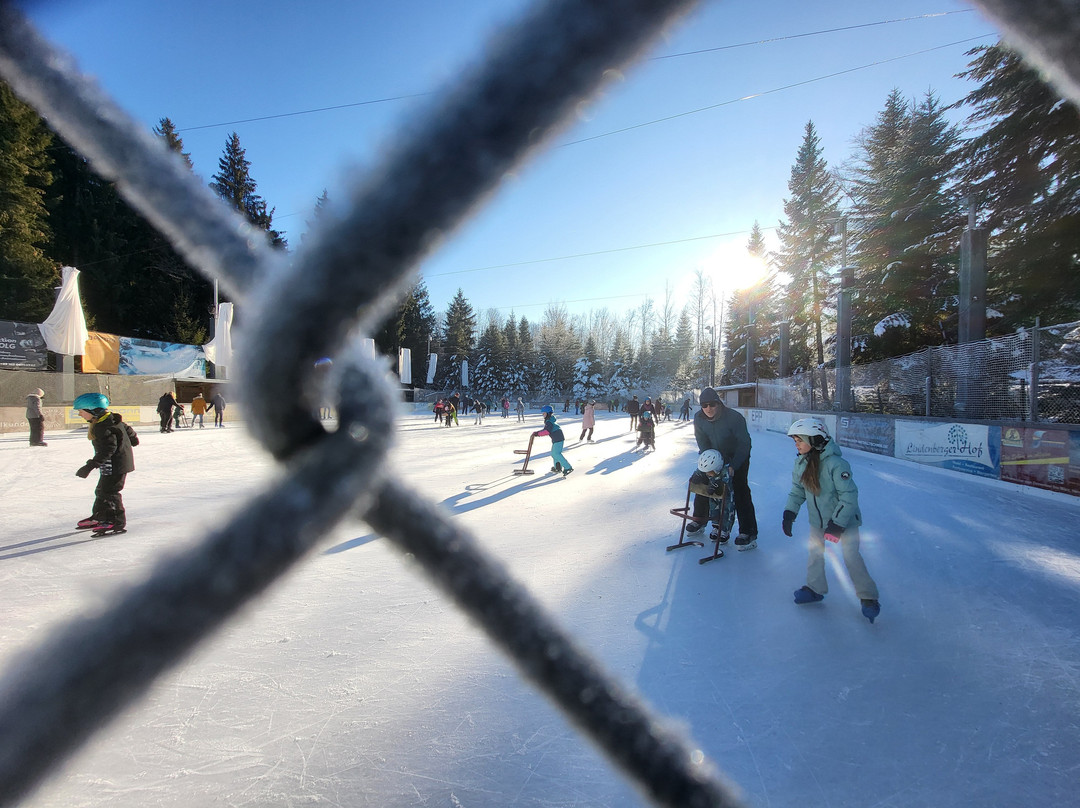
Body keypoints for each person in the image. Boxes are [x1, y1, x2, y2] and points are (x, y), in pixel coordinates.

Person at [783, 417, 881, 623]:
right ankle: (815, 589)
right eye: (795, 441)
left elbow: (849, 496)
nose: (796, 444)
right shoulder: (801, 463)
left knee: (851, 558)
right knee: (815, 554)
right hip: (817, 522)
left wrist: (837, 523)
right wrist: (789, 512)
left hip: (844, 522)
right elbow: (797, 491)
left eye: (800, 440)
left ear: (815, 439)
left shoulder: (836, 464)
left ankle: (868, 597)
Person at [690, 387, 758, 550]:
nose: (708, 409)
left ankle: (748, 532)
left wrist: (733, 466)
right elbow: (702, 441)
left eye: (712, 404)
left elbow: (744, 444)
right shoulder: (699, 418)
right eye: (704, 405)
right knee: (704, 484)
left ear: (719, 403)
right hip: (714, 455)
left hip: (737, 457)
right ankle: (700, 520)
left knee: (739, 489)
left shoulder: (734, 418)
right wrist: (707, 461)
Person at [72, 392, 138, 533]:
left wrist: (89, 466)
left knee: (110, 493)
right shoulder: (111, 420)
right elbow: (128, 429)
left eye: (81, 411)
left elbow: (109, 449)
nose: (80, 415)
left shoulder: (103, 427)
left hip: (116, 465)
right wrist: (133, 440)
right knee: (102, 491)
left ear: (93, 410)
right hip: (113, 464)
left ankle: (116, 522)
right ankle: (100, 517)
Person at [687, 449, 735, 546]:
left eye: (709, 472)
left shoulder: (724, 470)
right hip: (713, 496)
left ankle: (724, 530)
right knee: (713, 510)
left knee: (725, 511)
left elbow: (725, 479)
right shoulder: (707, 469)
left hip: (726, 497)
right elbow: (699, 471)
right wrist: (696, 476)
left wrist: (717, 484)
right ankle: (716, 527)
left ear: (717, 468)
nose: (707, 474)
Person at [534, 405, 573, 477]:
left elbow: (547, 431)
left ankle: (568, 467)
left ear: (548, 413)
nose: (543, 415)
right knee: (554, 453)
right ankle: (557, 467)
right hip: (557, 438)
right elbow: (545, 430)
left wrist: (538, 434)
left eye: (544, 413)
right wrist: (537, 433)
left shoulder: (549, 422)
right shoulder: (549, 420)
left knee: (556, 454)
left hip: (558, 438)